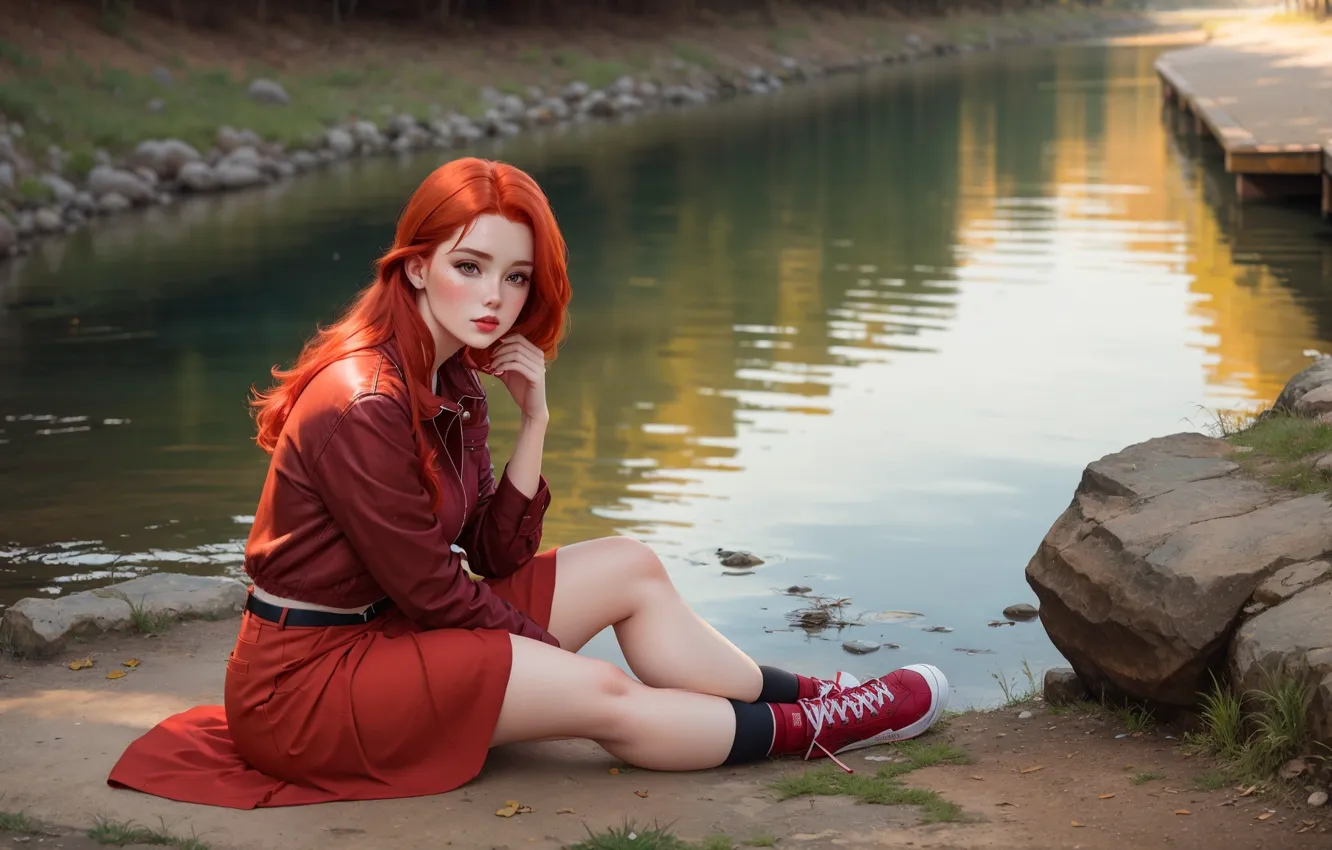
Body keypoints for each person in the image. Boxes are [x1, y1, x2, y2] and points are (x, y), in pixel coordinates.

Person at [106, 157, 949, 809]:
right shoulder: (362, 400)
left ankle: (811, 690)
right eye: (470, 267)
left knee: (628, 564)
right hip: (311, 687)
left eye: (515, 277)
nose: (496, 298)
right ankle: (814, 730)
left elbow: (498, 548)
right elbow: (440, 593)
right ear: (414, 267)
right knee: (605, 695)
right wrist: (550, 662)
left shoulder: (454, 373)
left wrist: (533, 421)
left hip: (390, 633)